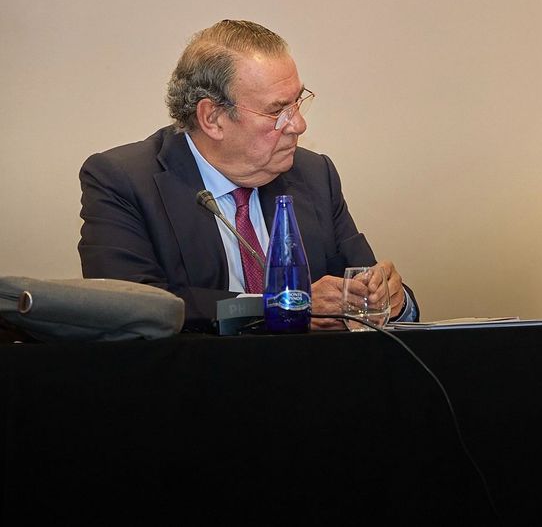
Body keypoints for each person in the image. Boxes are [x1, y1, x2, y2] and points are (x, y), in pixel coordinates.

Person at [78, 20, 417, 330]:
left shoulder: (315, 175)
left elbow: (364, 293)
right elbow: (130, 308)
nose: (299, 125)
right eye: (277, 111)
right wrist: (276, 307)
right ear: (212, 118)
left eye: (297, 103)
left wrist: (394, 302)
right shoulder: (122, 180)